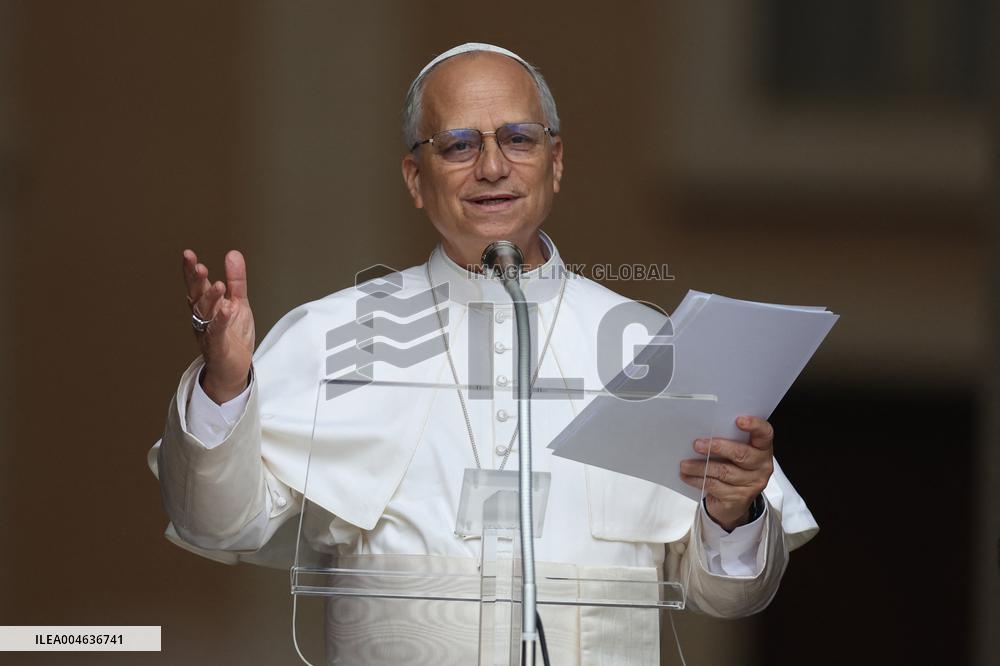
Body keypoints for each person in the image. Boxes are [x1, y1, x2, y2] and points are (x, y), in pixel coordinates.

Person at [148, 43, 818, 664]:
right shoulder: (335, 333)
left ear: (557, 161)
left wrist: (735, 510)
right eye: (458, 145)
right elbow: (216, 526)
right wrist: (226, 384)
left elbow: (729, 596)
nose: (492, 166)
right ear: (416, 177)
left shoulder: (648, 346)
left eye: (518, 140)